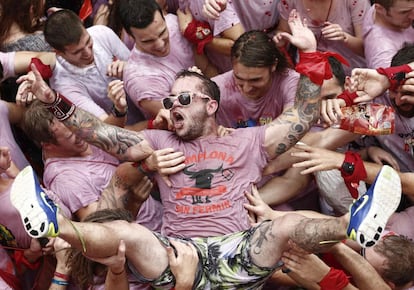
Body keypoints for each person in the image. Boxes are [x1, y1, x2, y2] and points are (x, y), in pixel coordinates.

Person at [17, 8, 329, 238]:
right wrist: (53, 101)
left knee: (286, 225)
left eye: (182, 99)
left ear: (211, 105)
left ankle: (349, 226)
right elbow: (99, 132)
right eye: (169, 100)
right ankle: (58, 226)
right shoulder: (157, 143)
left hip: (237, 250)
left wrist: (311, 54)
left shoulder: (247, 140)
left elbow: (301, 117)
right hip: (182, 256)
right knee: (133, 237)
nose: (171, 106)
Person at [10, 161, 402, 288]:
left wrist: (179, 281)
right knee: (127, 234)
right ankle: (55, 226)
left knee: (128, 236)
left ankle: (57, 226)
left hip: (196, 261)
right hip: (202, 262)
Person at [43, 9, 144, 127]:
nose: (88, 52)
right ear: (59, 53)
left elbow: (145, 70)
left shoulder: (102, 33)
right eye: (77, 52)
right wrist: (119, 109)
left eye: (88, 42)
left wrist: (129, 68)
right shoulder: (64, 86)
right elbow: (104, 127)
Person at [120, 0, 218, 119]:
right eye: (148, 41)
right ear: (131, 37)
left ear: (164, 18)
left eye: (162, 33)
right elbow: (180, 118)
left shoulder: (175, 24)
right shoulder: (138, 78)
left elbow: (207, 68)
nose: (160, 44)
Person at [276, 0, 370, 75]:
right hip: (310, 70)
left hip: (351, 73)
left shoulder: (356, 2)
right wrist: (281, 39)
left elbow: (367, 49)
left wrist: (345, 37)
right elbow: (283, 30)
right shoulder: (289, 2)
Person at [363, 0, 414, 69]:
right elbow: (394, 78)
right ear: (380, 9)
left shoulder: (384, 7)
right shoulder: (383, 54)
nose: (412, 16)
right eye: (404, 12)